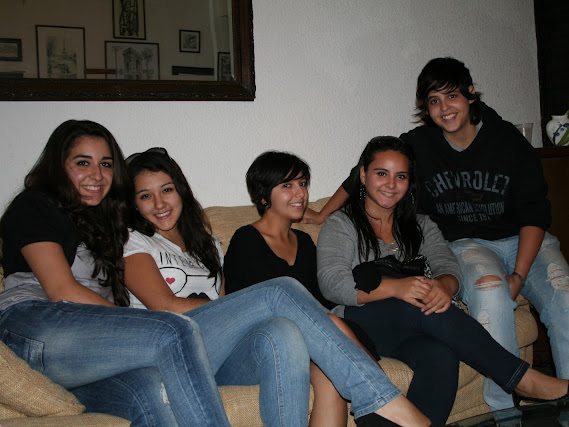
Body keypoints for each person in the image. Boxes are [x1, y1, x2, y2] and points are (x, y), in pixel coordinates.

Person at [305, 57, 569, 412]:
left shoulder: (422, 221)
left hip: (494, 259)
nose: (391, 184)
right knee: (436, 300)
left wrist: (447, 285)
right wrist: (324, 216)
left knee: (444, 353)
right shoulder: (346, 221)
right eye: (434, 100)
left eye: (401, 177)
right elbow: (332, 283)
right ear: (364, 177)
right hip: (370, 316)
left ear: (470, 94)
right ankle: (519, 384)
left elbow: (451, 262)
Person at [123, 147, 431, 427]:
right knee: (280, 292)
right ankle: (381, 397)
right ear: (133, 203)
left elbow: (231, 302)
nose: (160, 203)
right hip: (174, 352)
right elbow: (165, 306)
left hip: (220, 352)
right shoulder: (133, 242)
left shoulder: (207, 243)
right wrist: (239, 308)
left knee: (287, 332)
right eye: (146, 196)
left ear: (181, 191)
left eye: (167, 190)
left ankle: (373, 393)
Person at [0, 120, 233, 427]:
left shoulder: (104, 221)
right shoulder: (35, 205)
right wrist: (139, 323)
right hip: (32, 328)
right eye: (83, 162)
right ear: (58, 165)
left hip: (80, 352)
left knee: (152, 390)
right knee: (173, 329)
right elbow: (61, 290)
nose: (97, 175)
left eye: (106, 164)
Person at [224, 150, 380, 427]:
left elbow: (322, 299)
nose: (300, 193)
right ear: (263, 196)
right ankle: (383, 398)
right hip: (268, 344)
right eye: (287, 185)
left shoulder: (305, 242)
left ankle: (378, 400)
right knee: (331, 332)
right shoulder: (246, 239)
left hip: (314, 337)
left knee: (332, 378)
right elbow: (247, 309)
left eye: (303, 184)